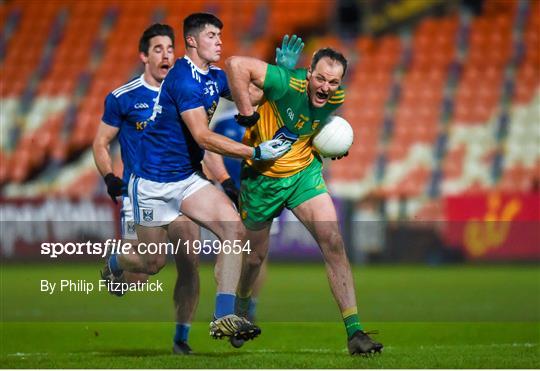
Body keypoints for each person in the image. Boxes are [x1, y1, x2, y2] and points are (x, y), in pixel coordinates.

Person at [107, 12, 292, 348]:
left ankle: (223, 316)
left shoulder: (214, 76)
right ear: (191, 40)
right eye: (211, 35)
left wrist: (278, 75)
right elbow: (203, 137)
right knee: (152, 263)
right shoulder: (182, 80)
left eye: (220, 34)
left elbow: (253, 97)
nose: (219, 40)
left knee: (233, 228)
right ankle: (116, 261)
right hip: (151, 184)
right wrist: (255, 152)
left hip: (186, 179)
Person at [225, 48, 384, 355]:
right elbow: (235, 64)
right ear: (309, 74)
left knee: (334, 241)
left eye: (334, 82)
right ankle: (242, 309)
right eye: (321, 78)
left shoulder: (335, 100)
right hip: (262, 181)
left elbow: (311, 129)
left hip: (303, 176)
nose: (326, 87)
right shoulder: (287, 83)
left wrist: (331, 146)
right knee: (255, 258)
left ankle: (355, 333)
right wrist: (248, 113)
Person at [93, 23, 212, 355]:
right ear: (144, 56)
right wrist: (108, 176)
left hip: (181, 188)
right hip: (142, 192)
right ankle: (116, 261)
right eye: (158, 49)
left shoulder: (185, 92)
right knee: (148, 268)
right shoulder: (123, 97)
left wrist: (220, 179)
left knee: (190, 258)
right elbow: (101, 142)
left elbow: (202, 138)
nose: (166, 55)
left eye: (170, 48)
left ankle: (181, 339)